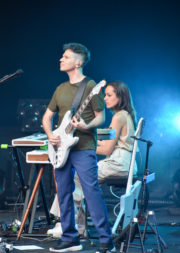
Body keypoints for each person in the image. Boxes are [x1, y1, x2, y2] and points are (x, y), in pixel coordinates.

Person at [42, 42, 113, 253]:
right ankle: (70, 238)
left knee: (91, 191)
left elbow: (101, 117)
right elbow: (47, 117)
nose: (60, 59)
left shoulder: (91, 86)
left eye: (66, 57)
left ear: (78, 62)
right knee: (63, 192)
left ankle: (106, 240)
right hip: (61, 149)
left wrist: (86, 125)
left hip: (83, 147)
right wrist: (50, 136)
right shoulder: (60, 89)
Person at [48, 81, 138, 236]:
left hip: (118, 163)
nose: (105, 99)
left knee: (78, 178)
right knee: (81, 179)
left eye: (109, 95)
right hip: (124, 162)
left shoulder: (119, 117)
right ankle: (77, 227)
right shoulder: (125, 115)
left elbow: (107, 149)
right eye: (105, 95)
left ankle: (65, 223)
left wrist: (81, 145)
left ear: (121, 97)